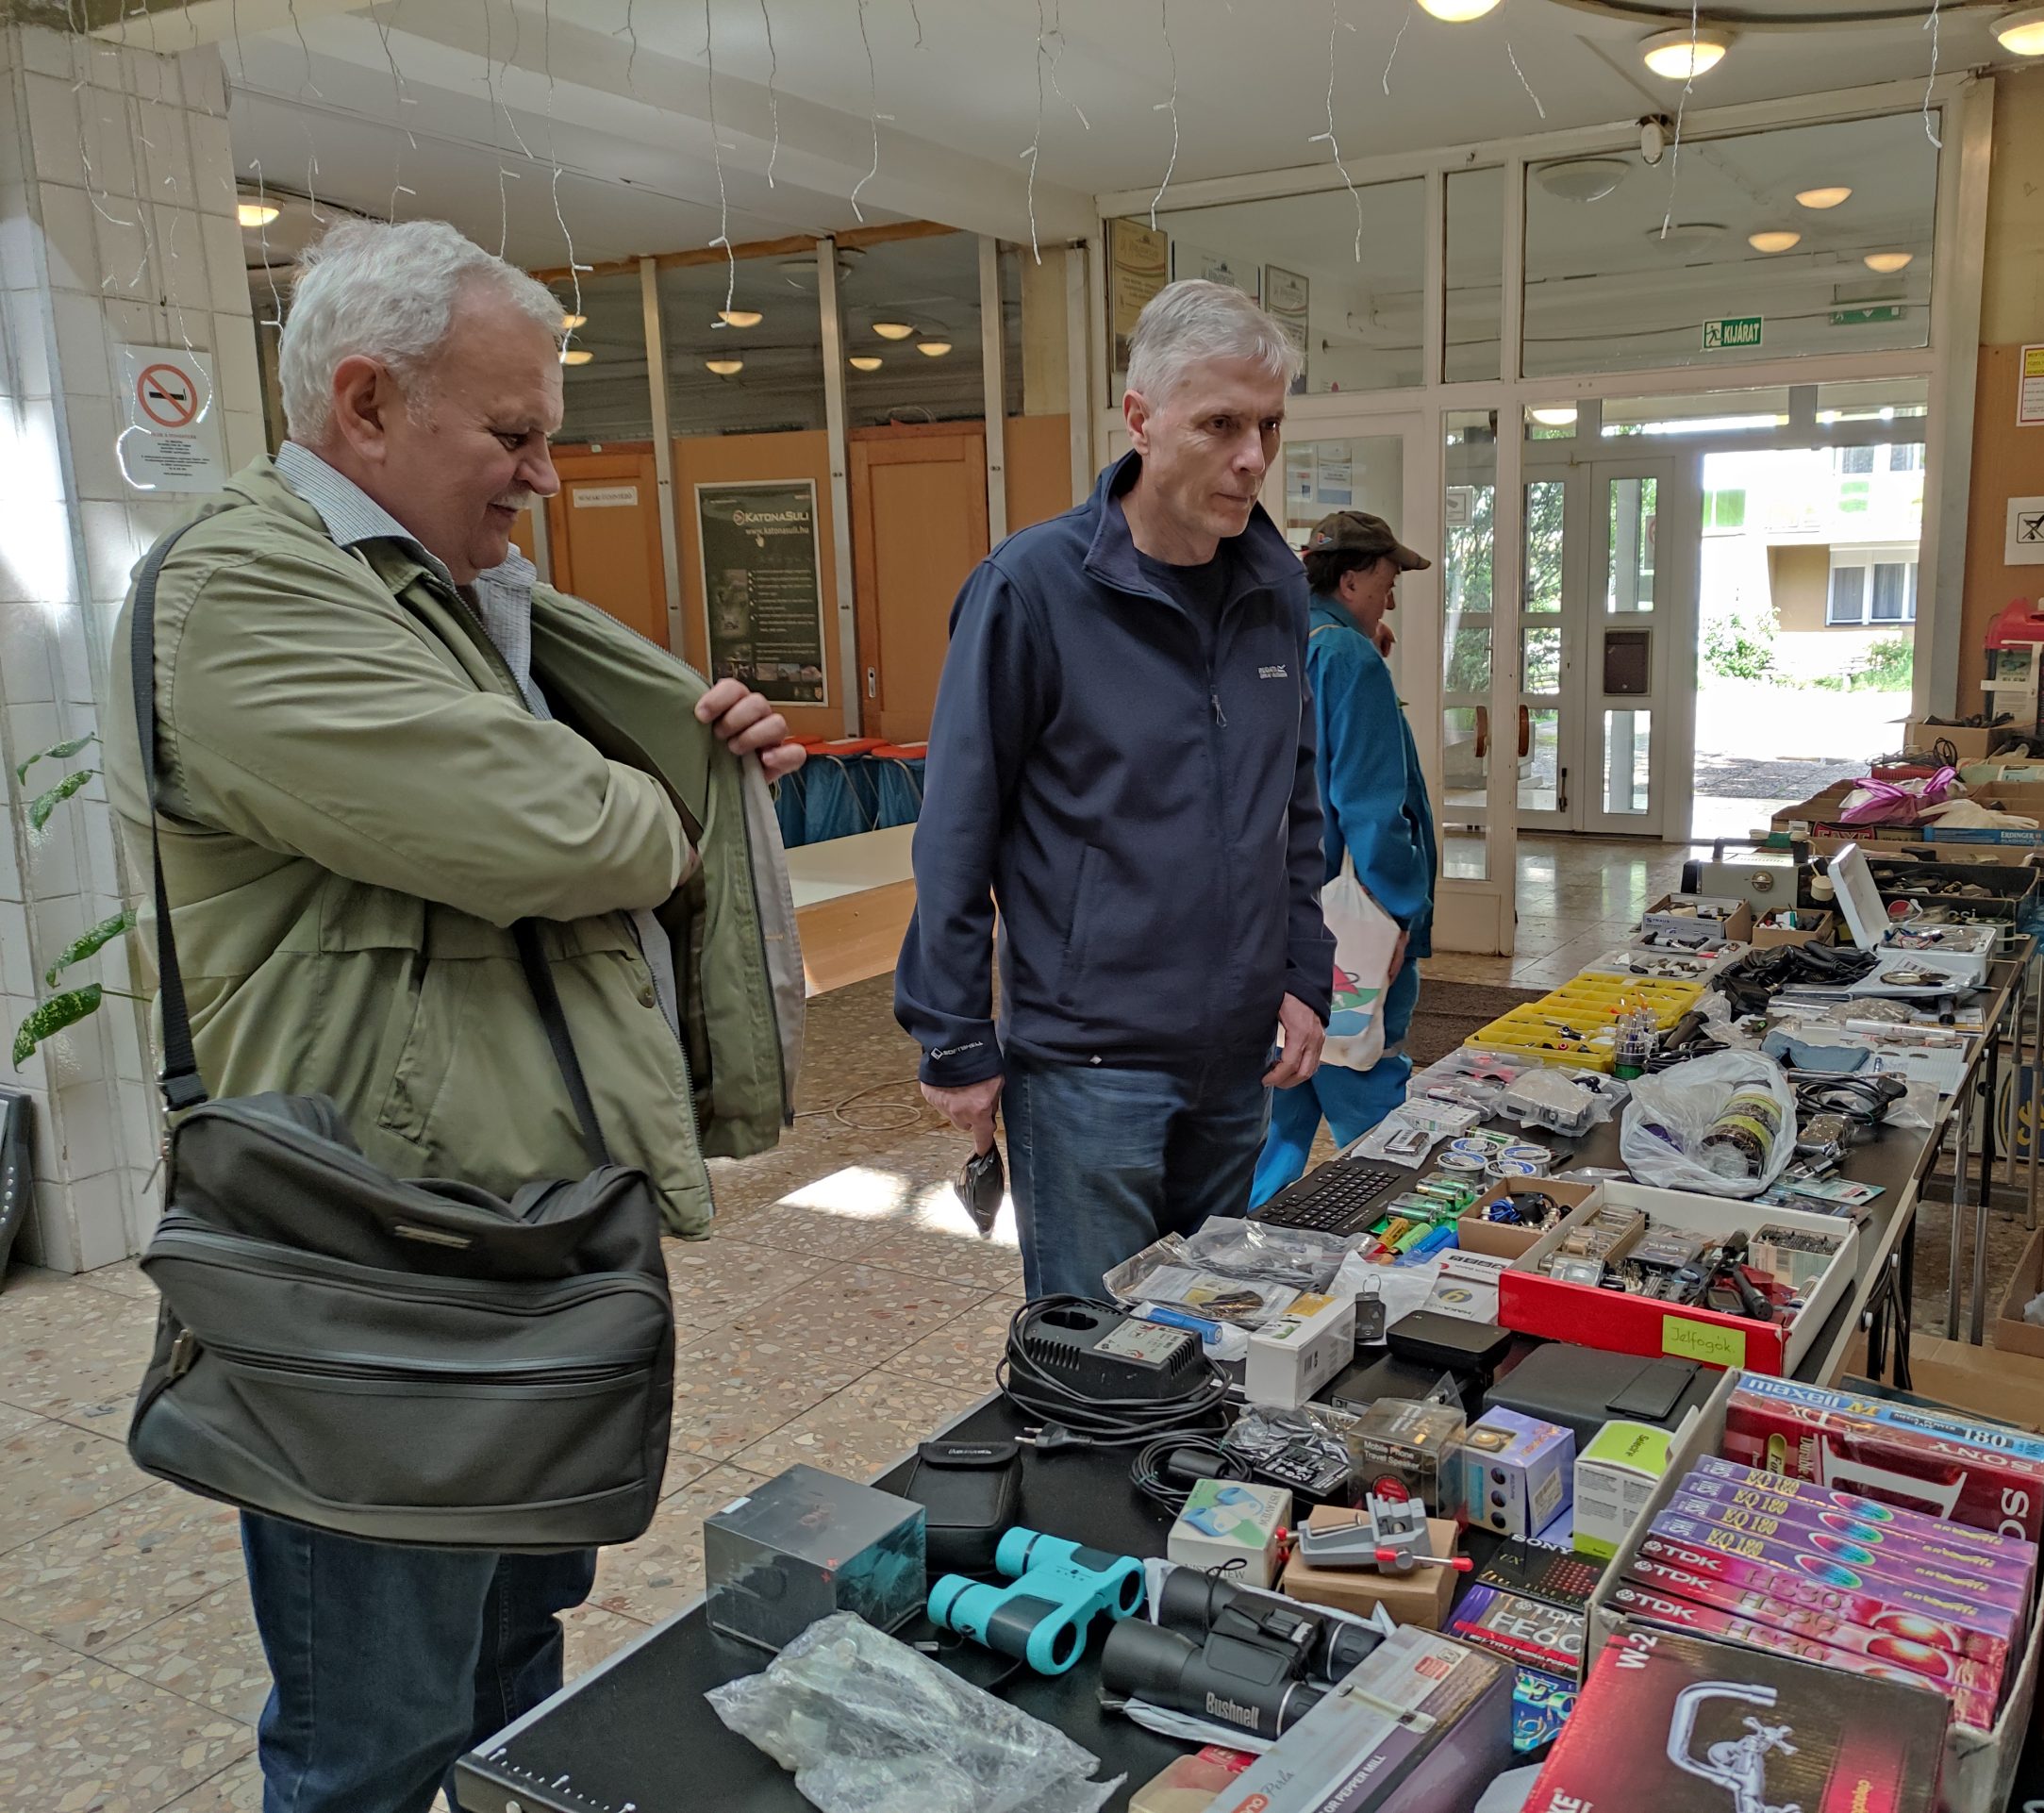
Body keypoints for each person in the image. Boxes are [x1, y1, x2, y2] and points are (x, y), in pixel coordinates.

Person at [99, 218, 807, 1813]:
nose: (544, 475)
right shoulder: (240, 590)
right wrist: (662, 797)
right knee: (374, 1738)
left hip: (522, 1250)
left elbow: (599, 785)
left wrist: (698, 746)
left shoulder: (445, 595)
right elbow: (563, 829)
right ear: (367, 403)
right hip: (373, 1278)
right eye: (514, 433)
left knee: (506, 1684)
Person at [895, 278, 1335, 1300]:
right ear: (1141, 419)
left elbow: (1294, 800)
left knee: (1207, 1332)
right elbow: (956, 829)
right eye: (1220, 424)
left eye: (1269, 426)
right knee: (1093, 1349)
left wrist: (1301, 969)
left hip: (1237, 1058)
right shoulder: (1031, 588)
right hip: (1088, 1066)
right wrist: (954, 1036)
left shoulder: (1274, 588)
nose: (1253, 457)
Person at [1251, 510, 1439, 1204]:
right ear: (1353, 578)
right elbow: (1371, 809)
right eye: (1388, 581)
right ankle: (1399, 1231)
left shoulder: (1275, 642)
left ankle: (1241, 1233)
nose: (1391, 598)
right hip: (1349, 926)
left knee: (1285, 1097)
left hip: (1276, 912)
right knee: (1370, 1098)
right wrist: (1400, 914)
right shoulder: (1348, 659)